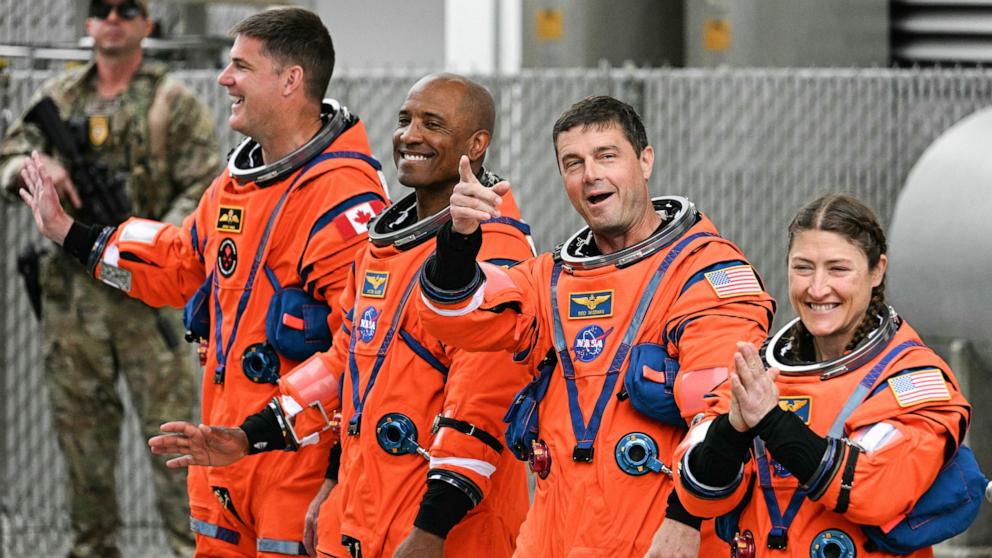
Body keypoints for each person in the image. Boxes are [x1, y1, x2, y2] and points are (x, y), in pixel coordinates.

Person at [17, 7, 390, 557]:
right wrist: (71, 233)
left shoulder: (343, 198)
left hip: (293, 466)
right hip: (223, 456)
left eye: (240, 66)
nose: (224, 79)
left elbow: (359, 351)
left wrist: (284, 448)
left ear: (291, 80)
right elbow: (178, 264)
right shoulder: (237, 185)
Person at [147, 73, 535, 558]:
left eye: (431, 124)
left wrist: (432, 531)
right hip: (362, 518)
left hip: (446, 535)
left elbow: (483, 410)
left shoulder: (495, 253)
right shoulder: (383, 248)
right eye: (404, 120)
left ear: (477, 144)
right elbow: (340, 366)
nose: (410, 135)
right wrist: (250, 436)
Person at [415, 95, 776, 557]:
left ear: (645, 161)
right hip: (551, 539)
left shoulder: (704, 272)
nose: (590, 175)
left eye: (607, 156)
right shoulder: (550, 278)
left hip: (655, 541)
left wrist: (685, 518)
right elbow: (457, 315)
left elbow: (722, 413)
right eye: (573, 163)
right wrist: (459, 240)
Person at [0, 1, 219, 555]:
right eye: (102, 8)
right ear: (88, 23)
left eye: (128, 9)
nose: (114, 17)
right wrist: (36, 168)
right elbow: (7, 160)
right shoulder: (60, 99)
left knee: (177, 449)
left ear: (147, 24)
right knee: (84, 454)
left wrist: (149, 246)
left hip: (151, 301)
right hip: (76, 305)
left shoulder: (176, 102)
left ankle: (189, 548)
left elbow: (204, 189)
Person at [672, 194, 973, 557]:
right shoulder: (761, 372)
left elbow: (871, 487)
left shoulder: (912, 380)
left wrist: (770, 421)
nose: (817, 289)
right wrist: (733, 428)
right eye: (803, 268)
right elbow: (695, 487)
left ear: (877, 271)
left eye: (837, 269)